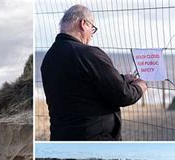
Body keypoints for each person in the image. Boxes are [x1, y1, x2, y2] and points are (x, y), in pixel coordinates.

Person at [41, 4, 148, 141]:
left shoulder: (49, 57)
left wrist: (121, 78)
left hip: (61, 136)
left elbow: (79, 86)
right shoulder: (88, 53)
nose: (92, 35)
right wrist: (140, 86)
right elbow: (123, 95)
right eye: (93, 28)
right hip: (94, 138)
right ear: (83, 23)